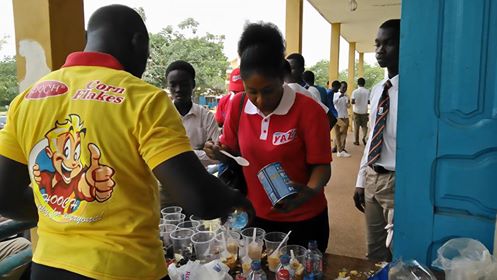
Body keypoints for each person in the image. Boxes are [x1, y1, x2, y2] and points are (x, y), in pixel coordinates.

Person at [0, 5, 252, 279]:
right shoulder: (144, 99)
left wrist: (63, 212)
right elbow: (200, 200)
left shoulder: (28, 100)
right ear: (138, 42)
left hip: (48, 267)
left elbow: (4, 194)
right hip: (125, 268)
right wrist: (235, 199)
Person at [205, 22, 332, 252]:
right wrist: (218, 151)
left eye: (268, 90)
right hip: (255, 218)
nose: (260, 100)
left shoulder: (309, 111)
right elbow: (232, 153)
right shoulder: (238, 105)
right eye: (252, 91)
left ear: (282, 78)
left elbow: (322, 166)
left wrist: (310, 191)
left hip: (304, 220)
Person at [353, 19, 400, 262]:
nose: (380, 50)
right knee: (374, 251)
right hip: (372, 177)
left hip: (397, 182)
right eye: (377, 44)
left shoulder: (415, 90)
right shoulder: (378, 89)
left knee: (399, 251)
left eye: (389, 43)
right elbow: (373, 136)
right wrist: (361, 179)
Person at [166, 60, 220, 167]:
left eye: (184, 84)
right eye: (173, 85)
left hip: (198, 180)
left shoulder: (206, 117)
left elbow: (216, 156)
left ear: (193, 84)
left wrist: (175, 152)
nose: (178, 89)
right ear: (168, 85)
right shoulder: (160, 115)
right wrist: (199, 152)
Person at [333, 81, 351, 158]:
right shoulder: (335, 94)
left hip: (345, 116)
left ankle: (340, 148)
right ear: (340, 87)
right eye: (343, 87)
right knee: (339, 132)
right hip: (338, 117)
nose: (345, 89)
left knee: (344, 133)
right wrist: (339, 97)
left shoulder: (347, 96)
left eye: (346, 87)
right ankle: (339, 149)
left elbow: (348, 106)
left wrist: (348, 103)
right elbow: (333, 103)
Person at [351, 77, 370, 145]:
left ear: (357, 83)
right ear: (364, 83)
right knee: (364, 126)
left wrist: (356, 101)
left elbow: (352, 102)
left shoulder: (355, 91)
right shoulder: (367, 91)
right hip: (364, 112)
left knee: (356, 127)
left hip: (356, 111)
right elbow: (369, 101)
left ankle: (356, 141)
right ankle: (364, 137)